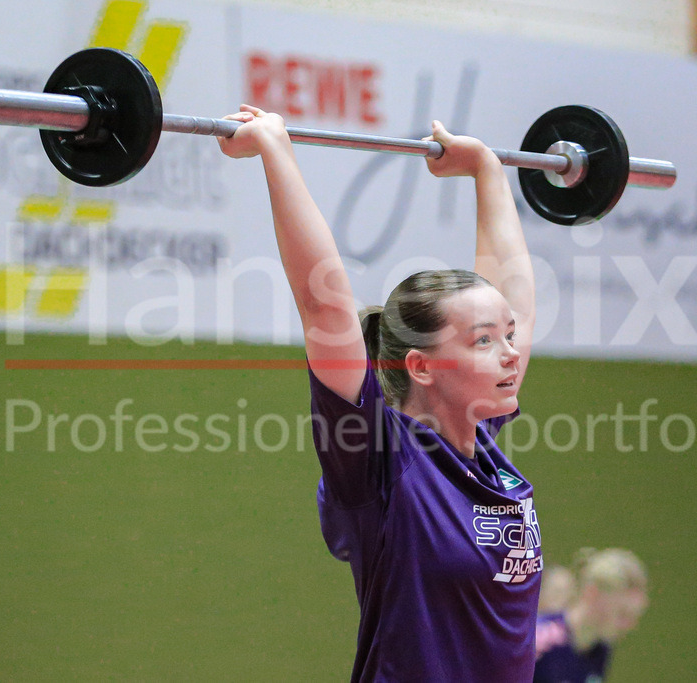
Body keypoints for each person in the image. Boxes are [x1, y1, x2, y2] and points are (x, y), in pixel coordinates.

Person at [217, 105, 540, 681]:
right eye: (484, 340)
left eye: (509, 336)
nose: (511, 352)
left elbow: (514, 293)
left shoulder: (482, 447)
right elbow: (323, 306)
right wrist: (274, 148)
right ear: (422, 366)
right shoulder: (380, 461)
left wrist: (487, 171)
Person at [534, 548, 649, 683]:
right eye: (622, 614)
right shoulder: (541, 640)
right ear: (593, 593)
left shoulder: (600, 649)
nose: (629, 626)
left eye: (634, 617)